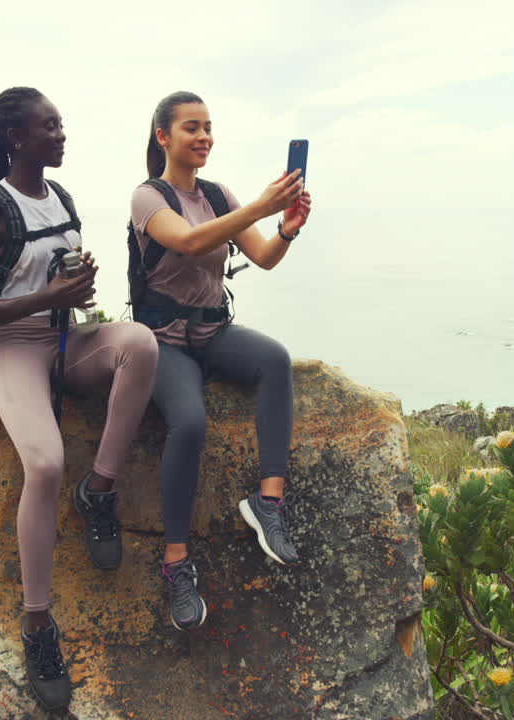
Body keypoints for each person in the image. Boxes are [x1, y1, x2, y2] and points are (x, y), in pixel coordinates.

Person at [0, 87, 158, 711]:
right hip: (11, 345)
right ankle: (38, 622)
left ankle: (99, 488)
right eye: (50, 127)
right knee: (43, 462)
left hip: (62, 337)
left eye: (61, 123)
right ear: (18, 138)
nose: (62, 134)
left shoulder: (60, 198)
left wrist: (77, 281)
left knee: (141, 345)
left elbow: (54, 278)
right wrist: (50, 297)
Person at [128, 91, 313, 631]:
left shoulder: (217, 194)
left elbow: (262, 257)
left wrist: (286, 229)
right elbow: (186, 241)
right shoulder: (148, 197)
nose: (204, 136)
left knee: (274, 360)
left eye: (208, 127)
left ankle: (268, 503)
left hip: (212, 332)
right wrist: (259, 207)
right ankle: (176, 563)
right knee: (188, 422)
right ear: (164, 136)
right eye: (191, 128)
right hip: (163, 341)